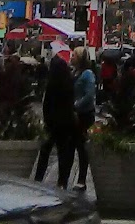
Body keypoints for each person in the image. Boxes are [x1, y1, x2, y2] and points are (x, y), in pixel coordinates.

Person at [35, 52, 77, 188]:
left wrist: (47, 120)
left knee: (45, 152)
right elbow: (71, 103)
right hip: (65, 122)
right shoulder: (69, 83)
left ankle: (38, 178)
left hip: (52, 122)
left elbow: (46, 104)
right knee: (63, 152)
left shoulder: (51, 84)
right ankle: (62, 181)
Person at [72, 46, 97, 190]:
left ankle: (82, 179)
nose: (72, 57)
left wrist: (76, 105)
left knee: (82, 147)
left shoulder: (88, 74)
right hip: (75, 113)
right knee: (74, 144)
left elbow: (89, 95)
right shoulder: (75, 72)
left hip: (84, 115)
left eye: (74, 55)